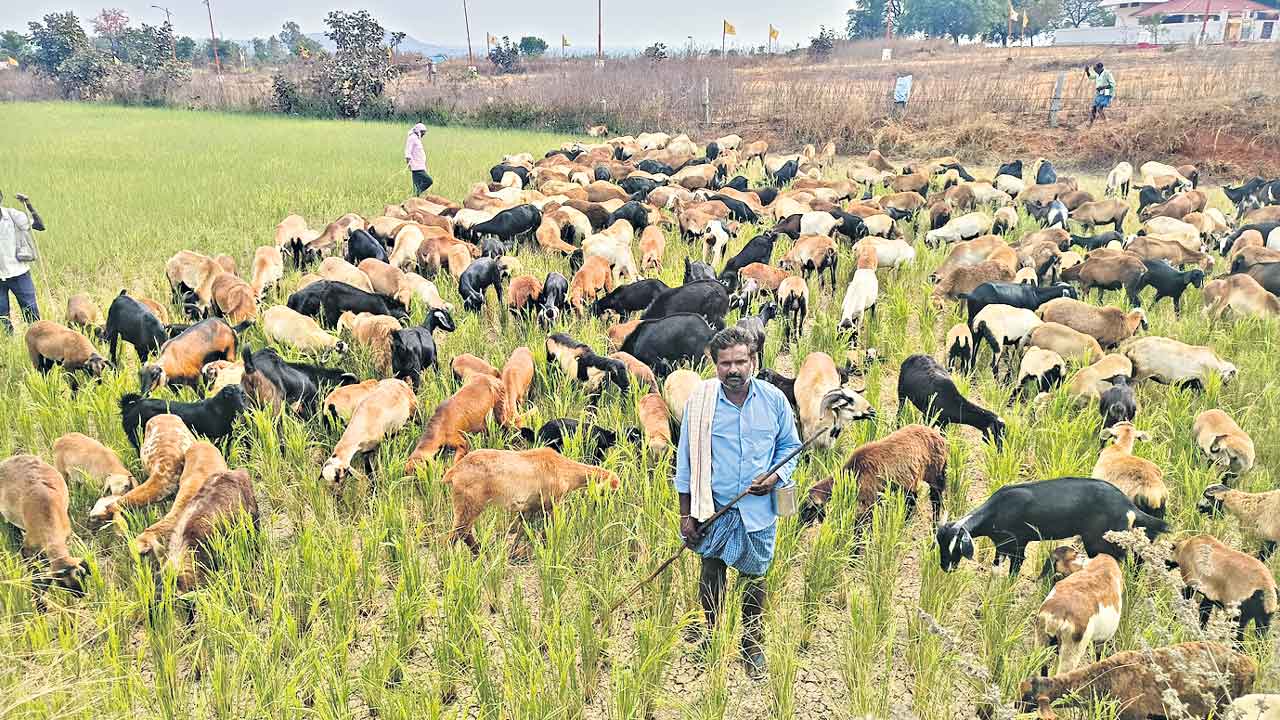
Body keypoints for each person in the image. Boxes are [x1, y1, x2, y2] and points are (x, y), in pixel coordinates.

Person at [674, 325, 801, 679]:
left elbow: (790, 447)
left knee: (754, 577)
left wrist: (776, 477)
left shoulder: (774, 400)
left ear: (754, 361)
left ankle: (751, 644)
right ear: (715, 365)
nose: (733, 370)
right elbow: (685, 462)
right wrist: (687, 515)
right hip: (713, 508)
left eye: (741, 362)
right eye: (725, 363)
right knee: (711, 572)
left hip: (759, 512)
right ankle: (712, 637)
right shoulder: (700, 403)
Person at [0, 190, 44, 334]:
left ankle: (38, 342)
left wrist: (28, 205)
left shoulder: (12, 216)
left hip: (19, 273)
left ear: (0, 199)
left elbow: (39, 225)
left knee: (31, 313)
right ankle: (10, 343)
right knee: (2, 317)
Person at [404, 122, 432, 196]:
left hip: (420, 166)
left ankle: (416, 195)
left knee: (416, 185)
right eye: (422, 132)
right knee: (429, 181)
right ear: (418, 130)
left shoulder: (416, 138)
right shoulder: (412, 138)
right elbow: (408, 151)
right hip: (416, 167)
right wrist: (409, 164)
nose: (423, 134)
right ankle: (416, 193)